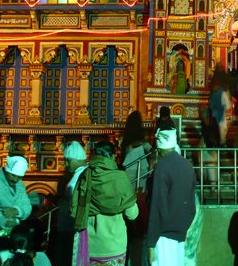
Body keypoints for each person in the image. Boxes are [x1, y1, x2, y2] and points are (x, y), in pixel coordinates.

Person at [72, 140, 139, 265]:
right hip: (115, 246)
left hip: (90, 246)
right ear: (113, 156)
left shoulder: (85, 176)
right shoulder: (120, 178)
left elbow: (74, 209)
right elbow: (132, 214)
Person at [147, 127, 197, 266]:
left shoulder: (162, 166)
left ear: (159, 145)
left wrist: (151, 241)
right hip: (182, 232)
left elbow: (158, 206)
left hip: (164, 235)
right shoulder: (187, 165)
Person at [0, 155, 34, 266]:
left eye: (19, 177)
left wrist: (16, 210)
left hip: (13, 237)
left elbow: (27, 206)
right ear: (6, 170)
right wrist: (3, 221)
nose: (15, 179)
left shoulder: (19, 184)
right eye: (13, 175)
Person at [54, 140, 88, 266]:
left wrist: (60, 202)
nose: (66, 165)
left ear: (77, 159)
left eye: (68, 161)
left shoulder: (80, 176)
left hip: (72, 230)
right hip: (69, 228)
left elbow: (72, 205)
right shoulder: (79, 174)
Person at [121, 110, 153, 192]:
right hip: (142, 167)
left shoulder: (125, 139)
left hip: (128, 167)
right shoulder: (143, 141)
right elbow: (151, 151)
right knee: (140, 192)